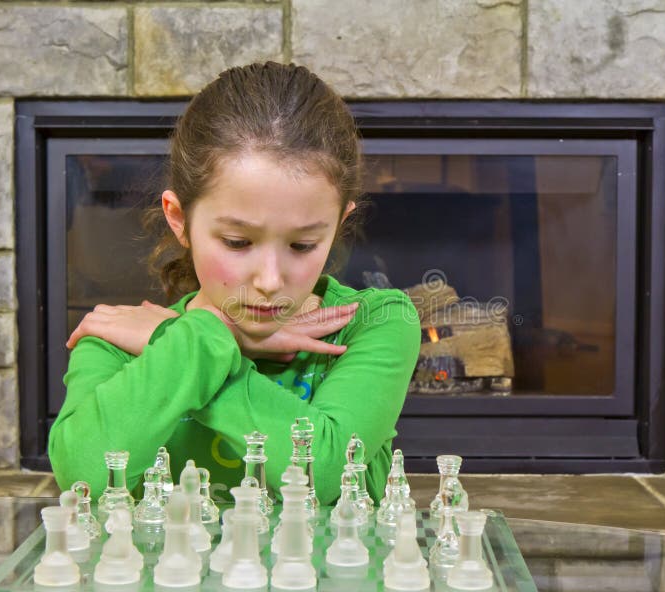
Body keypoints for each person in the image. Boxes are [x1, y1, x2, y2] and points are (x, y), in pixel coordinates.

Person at [48, 62, 421, 505]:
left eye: (302, 245)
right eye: (237, 241)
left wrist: (174, 342)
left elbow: (326, 475)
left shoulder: (376, 322)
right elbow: (83, 479)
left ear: (338, 225)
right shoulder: (116, 338)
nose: (269, 281)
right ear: (179, 220)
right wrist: (207, 338)